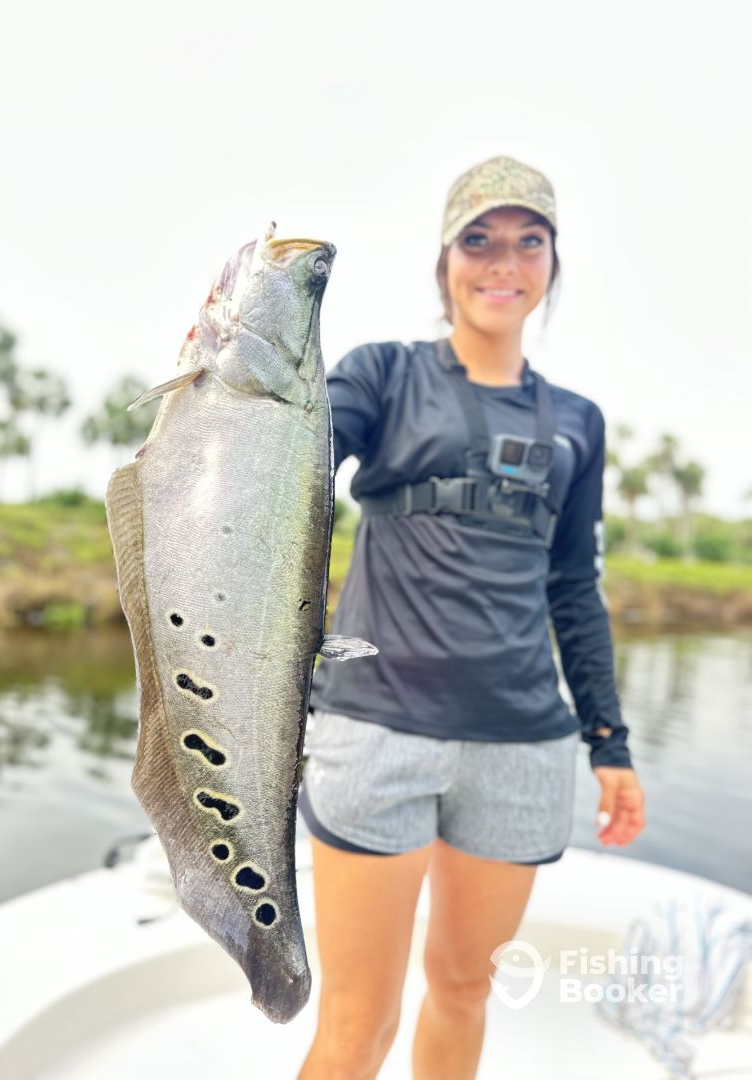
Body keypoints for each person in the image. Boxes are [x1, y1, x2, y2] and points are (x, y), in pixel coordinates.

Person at [296, 155, 646, 1080]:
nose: (504, 263)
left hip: (521, 745)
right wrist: (238, 374)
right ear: (445, 259)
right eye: (479, 240)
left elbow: (574, 587)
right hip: (376, 731)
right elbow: (294, 449)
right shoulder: (383, 375)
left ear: (552, 265)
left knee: (463, 987)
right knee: (357, 1023)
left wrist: (608, 742)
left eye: (529, 242)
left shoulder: (578, 421)